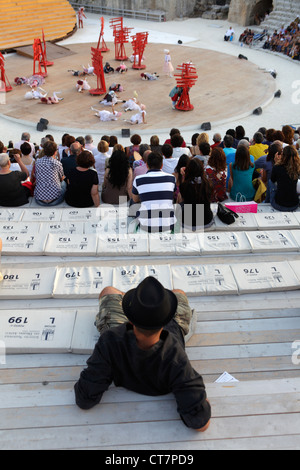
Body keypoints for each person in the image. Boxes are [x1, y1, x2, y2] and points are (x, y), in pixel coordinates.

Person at [74, 276, 211, 431]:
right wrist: (201, 400)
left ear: (129, 321)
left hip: (120, 329)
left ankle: (136, 305)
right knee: (178, 292)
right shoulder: (175, 357)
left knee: (108, 291)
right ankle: (148, 307)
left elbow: (84, 399)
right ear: (166, 321)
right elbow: (201, 424)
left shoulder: (110, 342)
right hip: (169, 335)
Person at [131, 152, 176, 233]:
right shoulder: (171, 178)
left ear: (147, 165)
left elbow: (135, 199)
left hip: (146, 226)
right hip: (167, 225)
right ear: (162, 165)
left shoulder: (138, 179)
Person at [177, 157, 214, 231]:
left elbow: (183, 197)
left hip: (188, 221)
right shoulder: (208, 184)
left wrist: (184, 176)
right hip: (206, 220)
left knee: (179, 203)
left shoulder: (184, 186)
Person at [31, 140, 66, 206]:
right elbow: (62, 178)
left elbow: (36, 176)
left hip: (39, 199)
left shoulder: (37, 162)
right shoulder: (57, 163)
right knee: (64, 183)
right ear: (55, 152)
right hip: (55, 200)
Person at [269, 145, 300, 211]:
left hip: (279, 204)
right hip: (294, 204)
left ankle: (266, 201)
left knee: (270, 182)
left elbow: (272, 179)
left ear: (283, 156)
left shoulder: (277, 167)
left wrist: (276, 162)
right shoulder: (297, 167)